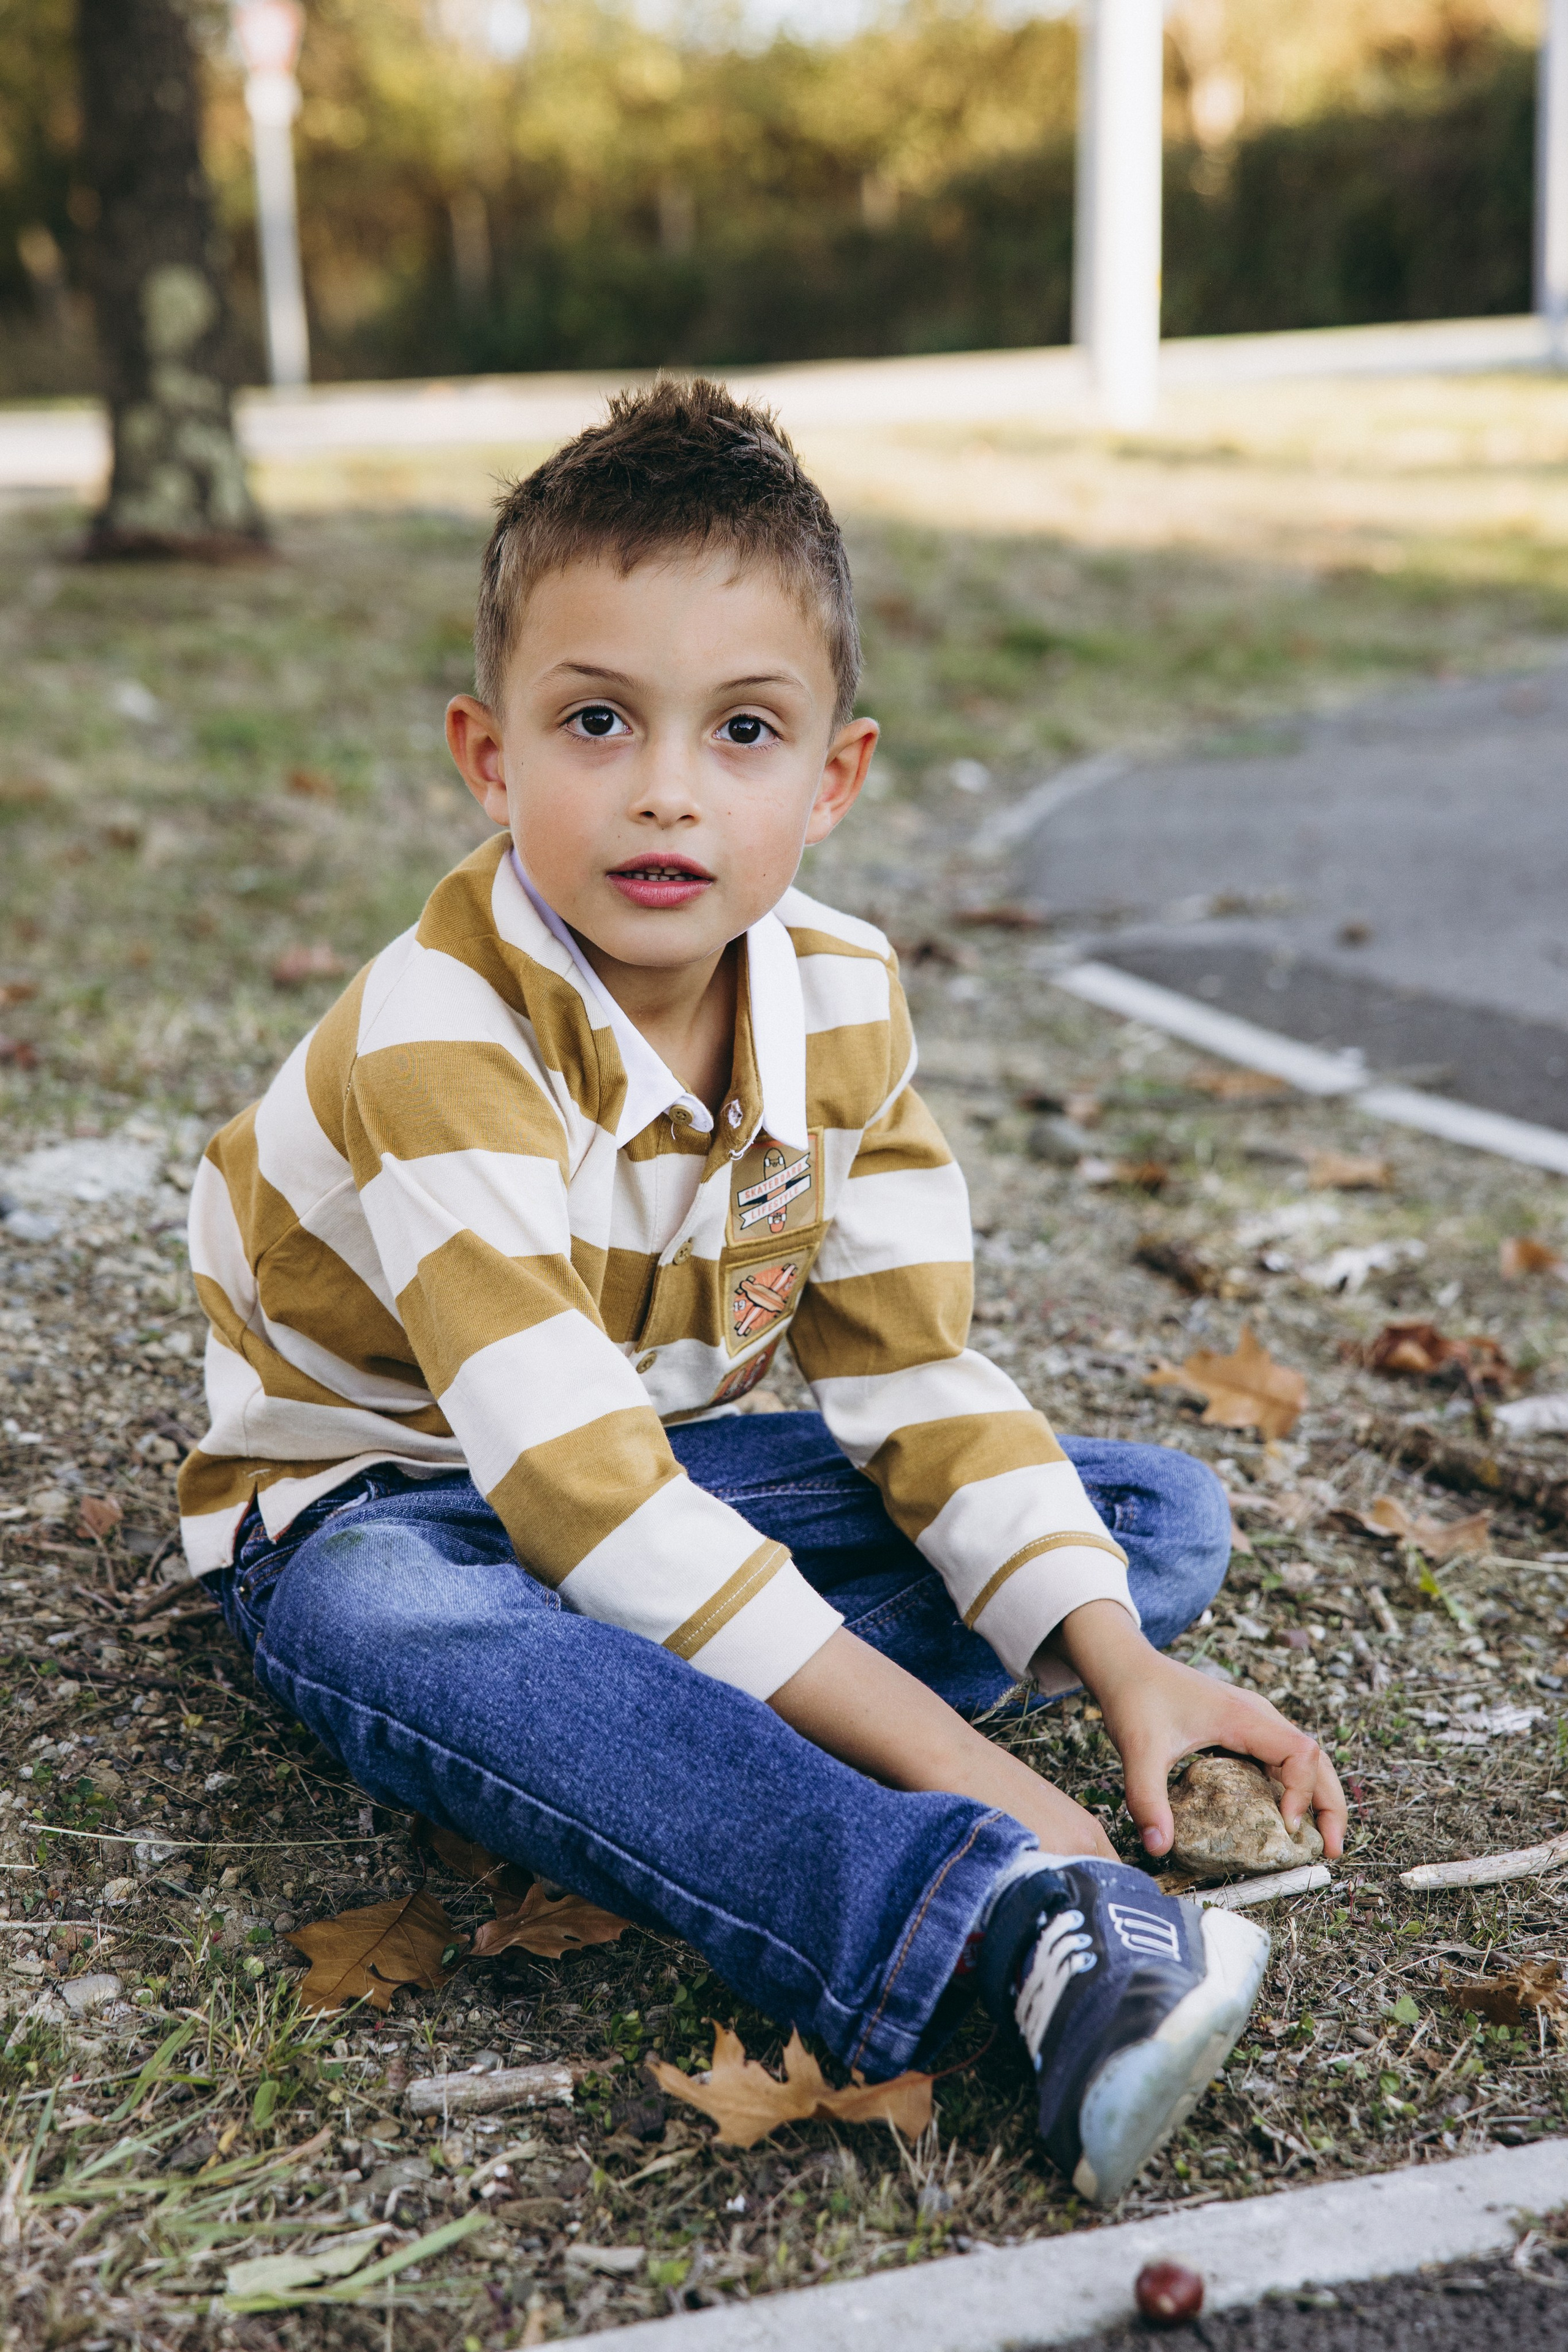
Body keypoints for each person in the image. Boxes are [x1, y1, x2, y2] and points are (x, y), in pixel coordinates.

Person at [180, 379, 1343, 2205]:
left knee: (1144, 1524)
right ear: (490, 760)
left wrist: (1120, 1665)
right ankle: (997, 1913)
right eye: (595, 722)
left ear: (834, 778)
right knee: (405, 1624)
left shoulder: (843, 1001)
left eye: (740, 731)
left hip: (651, 1491)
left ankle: (653, 1720)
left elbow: (914, 1375)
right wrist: (993, 1778)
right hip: (376, 1514)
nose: (664, 788)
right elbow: (569, 1489)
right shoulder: (439, 1028)